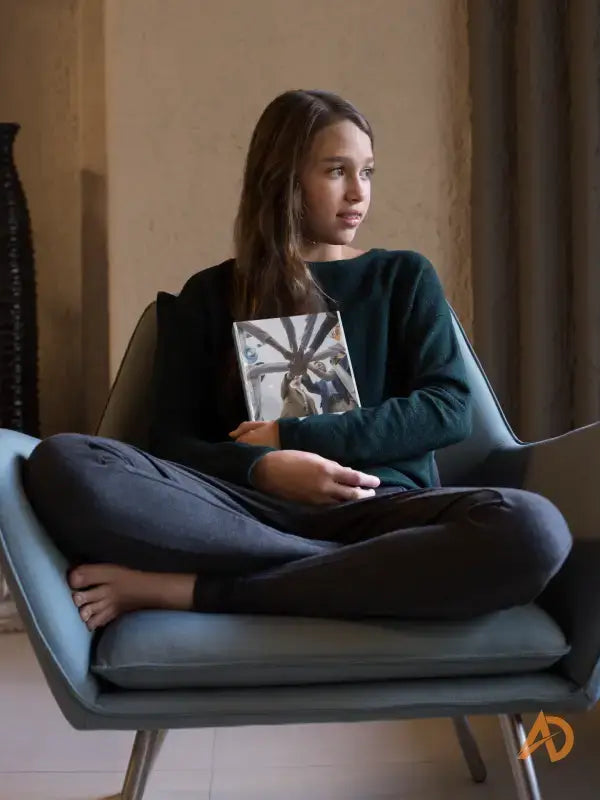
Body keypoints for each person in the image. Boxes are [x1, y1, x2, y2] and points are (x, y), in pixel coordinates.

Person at [22, 89, 572, 633]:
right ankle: (331, 570)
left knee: (535, 531)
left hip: (380, 514)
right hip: (245, 513)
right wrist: (261, 468)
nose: (358, 192)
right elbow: (171, 443)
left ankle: (199, 590)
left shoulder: (402, 277)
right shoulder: (210, 295)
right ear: (282, 180)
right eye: (336, 171)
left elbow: (448, 409)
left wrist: (292, 440)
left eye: (368, 172)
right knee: (65, 462)